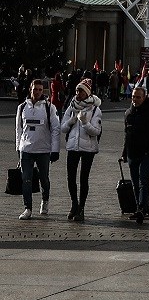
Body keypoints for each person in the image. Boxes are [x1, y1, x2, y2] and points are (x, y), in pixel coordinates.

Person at [15, 80, 60, 220]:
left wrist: (55, 149)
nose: (38, 92)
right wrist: (18, 147)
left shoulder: (49, 107)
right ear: (30, 89)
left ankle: (45, 201)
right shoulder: (22, 107)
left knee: (44, 178)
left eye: (40, 90)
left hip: (43, 149)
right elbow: (18, 129)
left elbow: (55, 129)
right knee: (26, 179)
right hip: (26, 149)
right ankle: (27, 208)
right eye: (35, 89)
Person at [61, 78, 102, 221]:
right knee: (70, 178)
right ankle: (74, 204)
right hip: (73, 147)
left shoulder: (95, 109)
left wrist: (84, 123)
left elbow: (96, 131)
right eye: (77, 90)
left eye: (82, 91)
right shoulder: (71, 106)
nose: (78, 93)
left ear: (87, 93)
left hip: (88, 149)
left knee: (83, 178)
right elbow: (63, 128)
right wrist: (71, 121)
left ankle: (81, 208)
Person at [121, 86, 149, 220]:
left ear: (144, 98)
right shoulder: (128, 113)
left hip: (146, 153)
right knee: (134, 182)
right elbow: (127, 135)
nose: (135, 99)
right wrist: (124, 153)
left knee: (143, 181)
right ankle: (140, 206)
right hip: (132, 152)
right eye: (133, 96)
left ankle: (142, 209)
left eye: (138, 97)